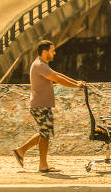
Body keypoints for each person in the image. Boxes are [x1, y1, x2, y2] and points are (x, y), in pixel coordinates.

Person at [12, 39, 85, 173]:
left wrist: (76, 82)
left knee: (44, 133)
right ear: (45, 52)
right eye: (52, 50)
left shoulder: (42, 65)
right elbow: (57, 80)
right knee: (45, 134)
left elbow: (58, 75)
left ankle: (21, 151)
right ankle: (42, 165)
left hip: (42, 105)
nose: (55, 53)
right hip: (40, 105)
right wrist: (76, 86)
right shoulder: (40, 65)